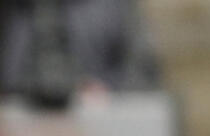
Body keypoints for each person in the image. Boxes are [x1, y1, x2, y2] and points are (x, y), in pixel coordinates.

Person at [1, 0, 161, 107]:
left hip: (101, 131)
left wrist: (105, 91)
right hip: (24, 134)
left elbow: (143, 75)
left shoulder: (115, 7)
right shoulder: (14, 9)